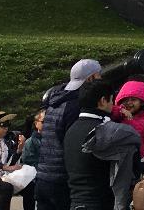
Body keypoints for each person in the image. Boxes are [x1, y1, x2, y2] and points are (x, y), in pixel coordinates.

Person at [35, 58, 100, 210]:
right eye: (99, 76)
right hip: (62, 180)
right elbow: (73, 145)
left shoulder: (55, 102)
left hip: (43, 176)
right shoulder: (76, 106)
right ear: (91, 78)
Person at [63, 82, 136, 210]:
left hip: (75, 202)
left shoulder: (71, 130)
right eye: (111, 100)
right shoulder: (106, 131)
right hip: (100, 202)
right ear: (103, 101)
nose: (113, 105)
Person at [0, 113, 33, 210]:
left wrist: (19, 150)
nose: (6, 129)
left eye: (7, 126)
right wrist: (5, 167)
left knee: (29, 186)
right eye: (3, 126)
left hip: (3, 175)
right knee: (6, 187)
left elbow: (10, 163)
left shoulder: (5, 142)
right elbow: (5, 166)